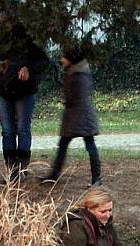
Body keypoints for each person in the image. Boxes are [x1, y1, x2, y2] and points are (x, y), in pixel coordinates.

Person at [0, 13, 49, 181]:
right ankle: (11, 169)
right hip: (2, 92)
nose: (4, 21)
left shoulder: (27, 37)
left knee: (23, 129)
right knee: (7, 131)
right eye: (2, 18)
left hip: (24, 91)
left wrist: (29, 68)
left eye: (8, 18)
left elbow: (42, 60)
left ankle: (22, 168)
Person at [43, 46, 102, 186]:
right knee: (65, 145)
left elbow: (76, 97)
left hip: (80, 115)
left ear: (71, 58)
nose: (61, 59)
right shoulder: (74, 72)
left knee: (88, 145)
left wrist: (70, 105)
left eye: (64, 56)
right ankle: (54, 175)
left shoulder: (79, 74)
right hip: (75, 115)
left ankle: (96, 179)